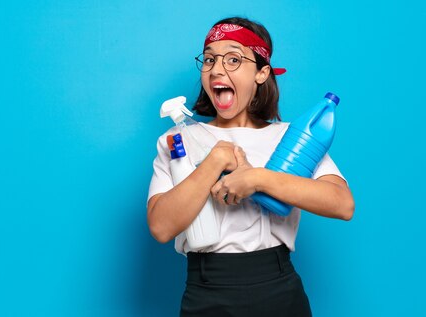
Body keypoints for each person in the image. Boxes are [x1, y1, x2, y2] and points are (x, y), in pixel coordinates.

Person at [147, 16, 355, 317]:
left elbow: (342, 205)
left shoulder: (290, 137)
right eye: (209, 60)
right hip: (206, 289)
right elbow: (161, 227)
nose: (217, 69)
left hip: (278, 285)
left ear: (262, 72)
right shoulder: (177, 139)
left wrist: (256, 179)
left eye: (233, 59)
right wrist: (215, 162)